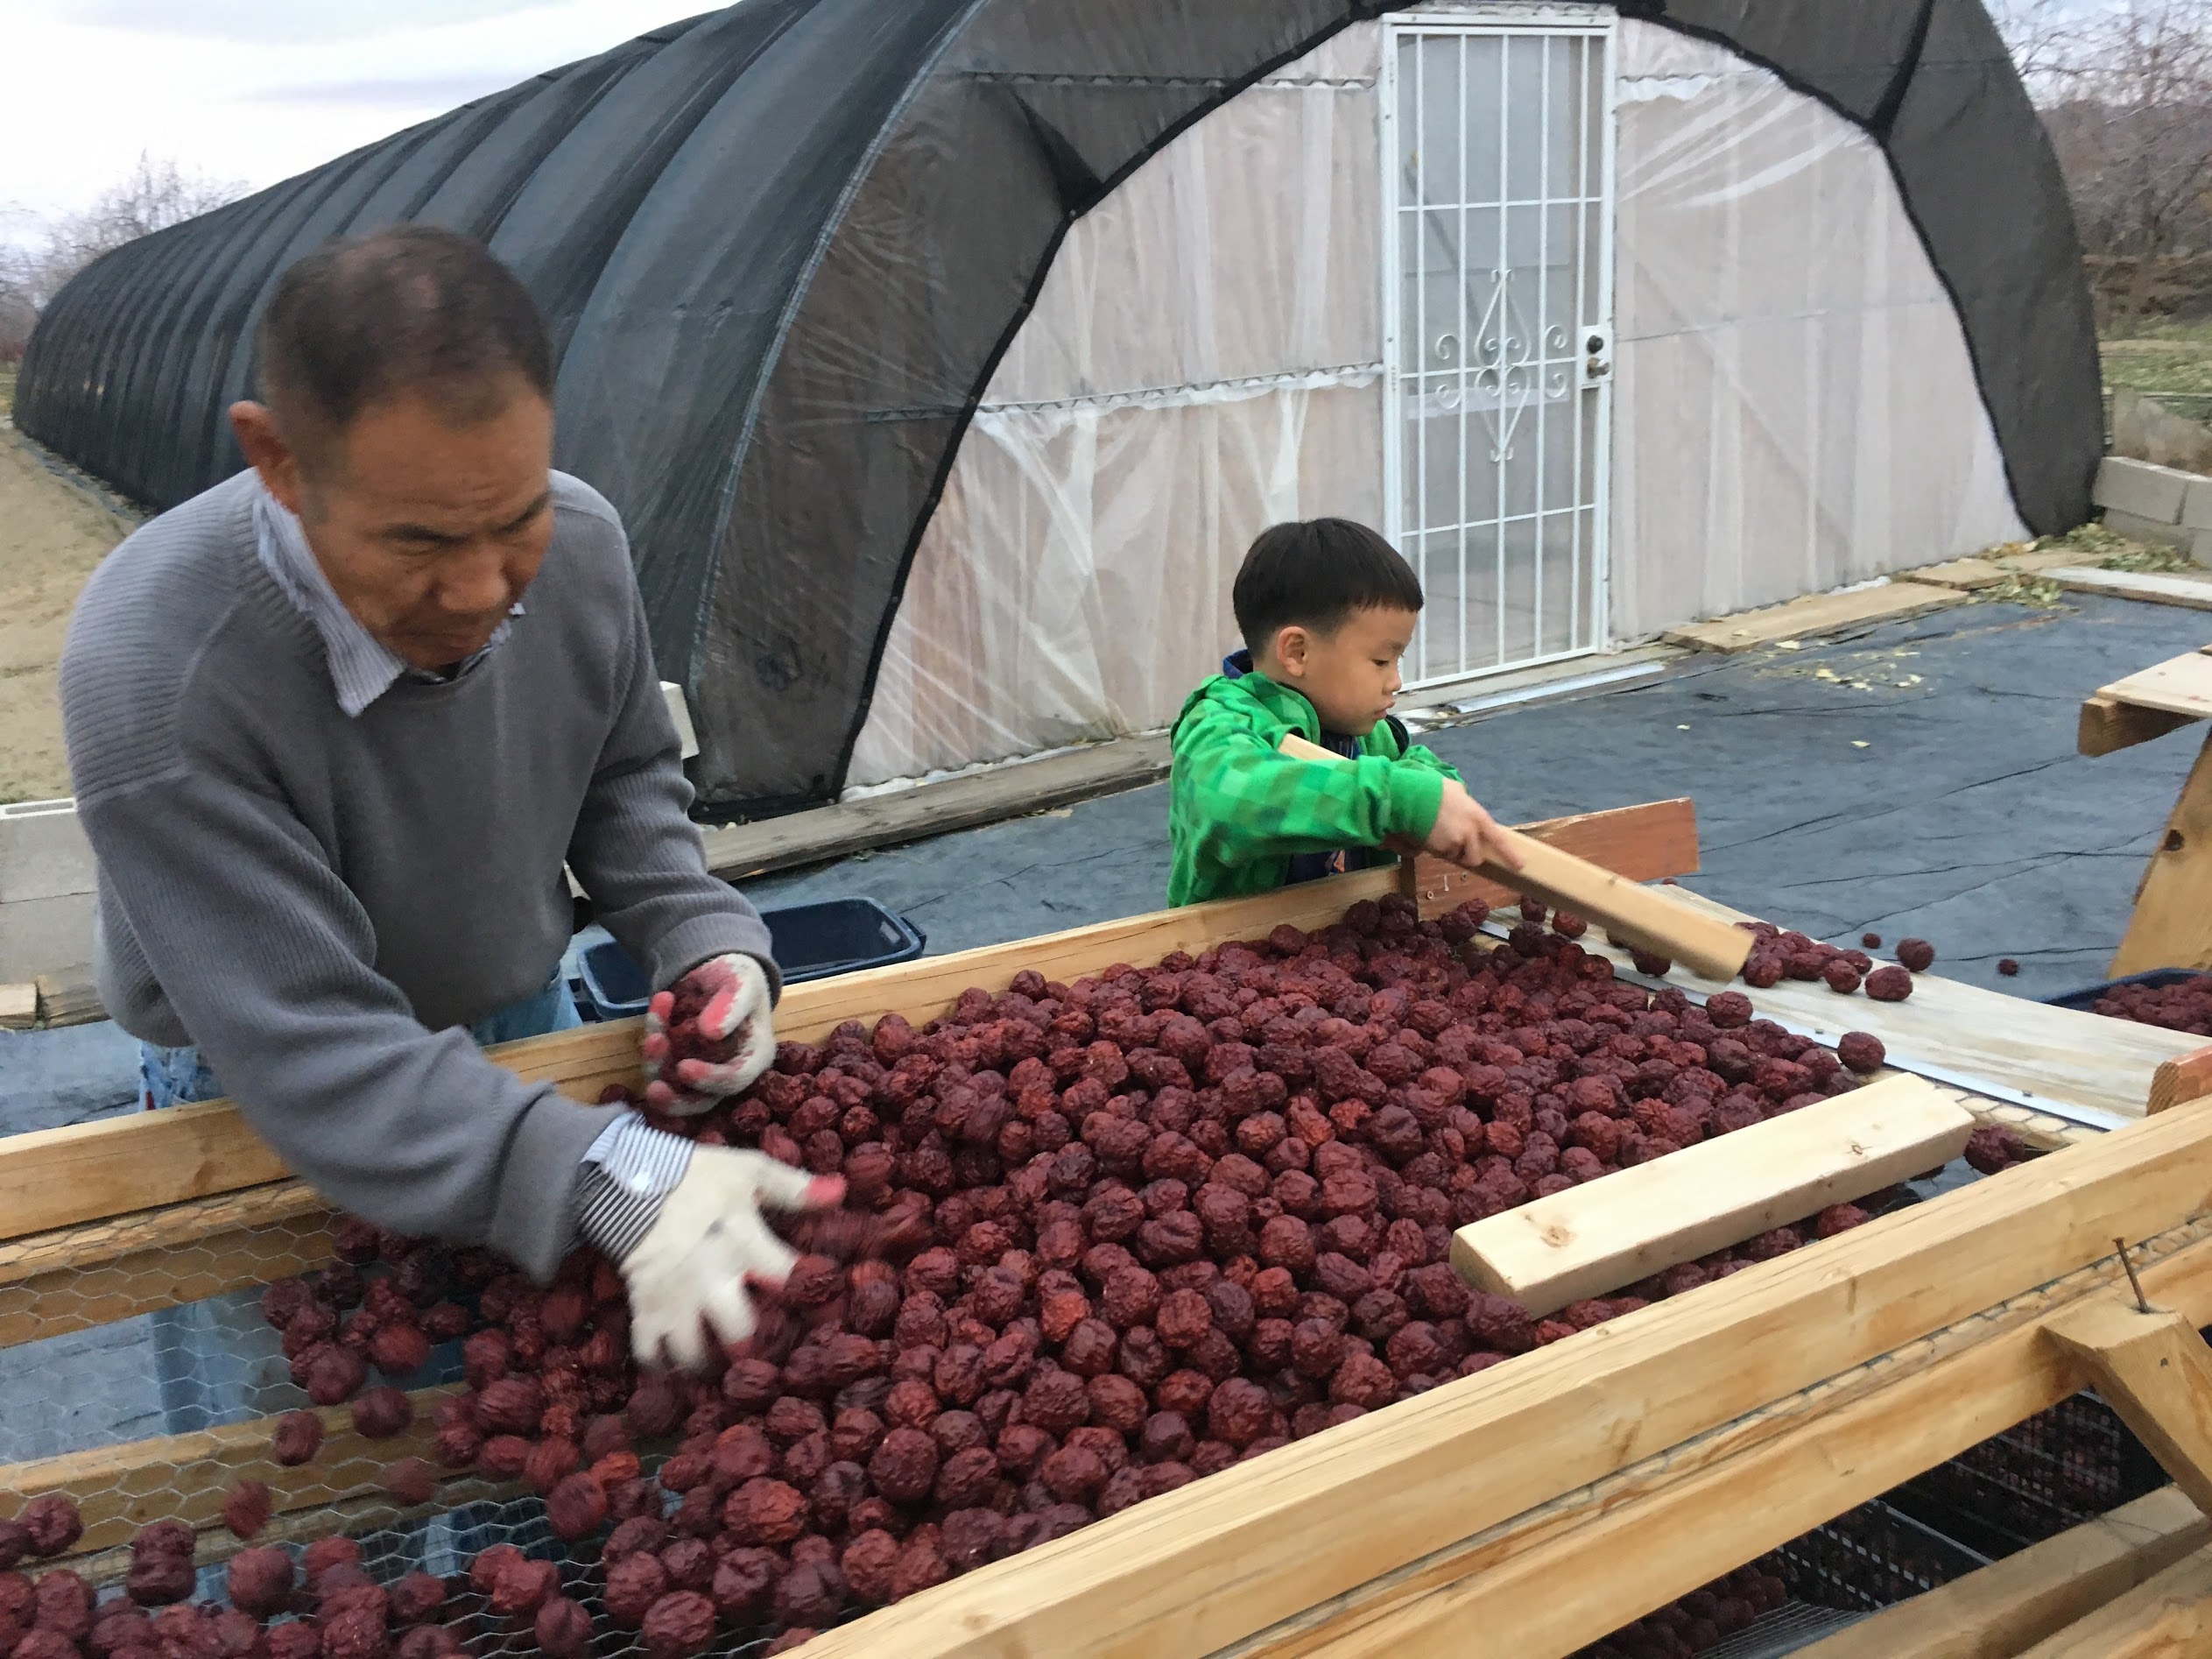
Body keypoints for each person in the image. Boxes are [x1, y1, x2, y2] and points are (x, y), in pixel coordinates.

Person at [60, 226, 829, 1370]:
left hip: (521, 1017)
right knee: (307, 1421)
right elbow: (308, 1043)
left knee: (538, 1379)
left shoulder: (583, 546)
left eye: (514, 519)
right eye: (417, 540)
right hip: (265, 1083)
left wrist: (701, 938)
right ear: (277, 461)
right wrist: (601, 1170)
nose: (477, 591)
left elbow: (621, 779)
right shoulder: (153, 668)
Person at [1167, 518, 1520, 907]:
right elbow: (1231, 802)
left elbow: (1419, 771)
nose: (1396, 681)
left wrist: (1433, 797)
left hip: (1339, 945)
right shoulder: (1217, 724)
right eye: (1382, 660)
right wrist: (1396, 800)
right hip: (1229, 955)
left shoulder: (1371, 735)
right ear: (1297, 652)